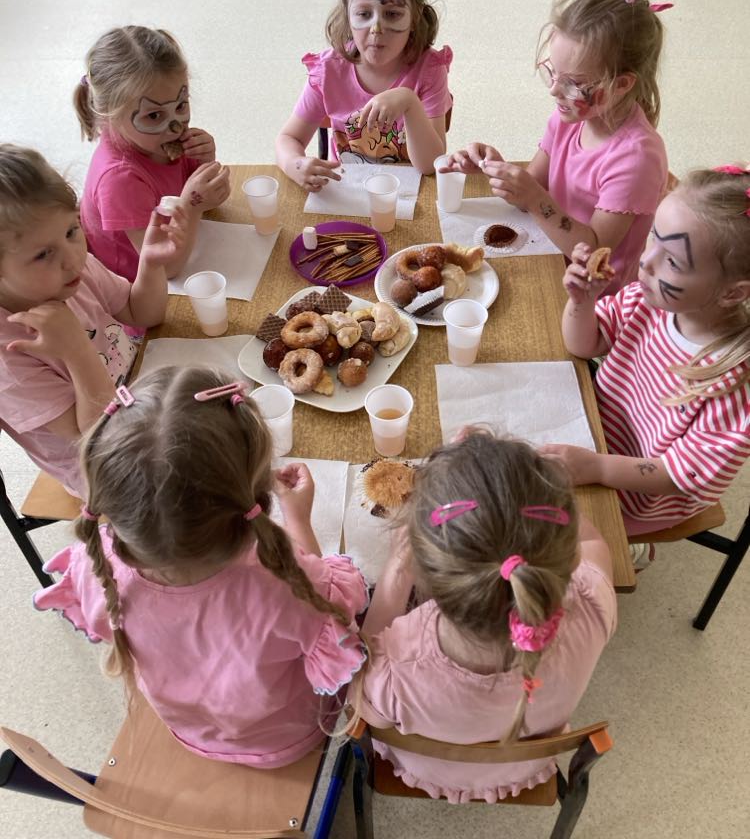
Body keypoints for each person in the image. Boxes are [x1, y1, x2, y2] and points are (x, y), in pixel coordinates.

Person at [34, 367, 368, 768]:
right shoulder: (280, 579)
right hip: (287, 738)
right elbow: (335, 617)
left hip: (192, 733)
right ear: (255, 491)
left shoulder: (95, 566)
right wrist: (297, 520)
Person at [352, 431, 616, 803]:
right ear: (566, 558)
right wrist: (529, 490)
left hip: (430, 769)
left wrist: (396, 569)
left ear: (424, 572)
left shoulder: (392, 666)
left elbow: (358, 695)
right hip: (520, 768)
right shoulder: (592, 604)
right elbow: (591, 543)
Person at [542, 167, 750, 536]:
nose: (645, 261)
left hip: (640, 494)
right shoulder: (645, 301)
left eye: (672, 261)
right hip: (594, 432)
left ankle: (635, 547)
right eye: (654, 237)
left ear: (733, 292)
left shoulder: (731, 385)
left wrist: (597, 468)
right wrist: (582, 302)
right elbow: (582, 344)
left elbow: (682, 474)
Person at [445, 0, 670, 294]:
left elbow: (594, 255)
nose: (553, 90)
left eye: (573, 83)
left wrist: (534, 198)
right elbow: (532, 187)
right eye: (552, 72)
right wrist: (496, 170)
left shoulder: (636, 159)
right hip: (547, 255)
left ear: (622, 84)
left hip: (594, 297)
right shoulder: (570, 119)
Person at [0, 144, 180, 497]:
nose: (73, 259)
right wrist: (76, 349)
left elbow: (143, 313)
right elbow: (102, 435)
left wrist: (151, 263)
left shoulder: (70, 276)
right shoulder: (8, 356)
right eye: (43, 254)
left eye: (71, 231)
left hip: (144, 399)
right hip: (112, 469)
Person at [276, 0, 452, 190]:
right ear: (347, 14)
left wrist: (409, 102)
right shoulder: (328, 71)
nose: (376, 29)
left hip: (410, 199)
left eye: (392, 14)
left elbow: (430, 165)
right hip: (346, 196)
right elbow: (288, 138)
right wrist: (295, 163)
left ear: (415, 16)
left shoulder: (429, 70)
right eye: (363, 14)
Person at [75, 25, 230, 281]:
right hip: (134, 285)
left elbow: (213, 205)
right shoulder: (119, 179)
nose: (177, 127)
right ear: (111, 115)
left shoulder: (155, 140)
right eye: (154, 115)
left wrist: (205, 165)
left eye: (181, 105)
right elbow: (166, 269)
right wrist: (192, 207)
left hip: (184, 247)